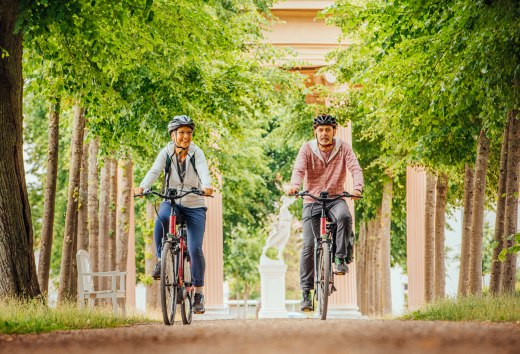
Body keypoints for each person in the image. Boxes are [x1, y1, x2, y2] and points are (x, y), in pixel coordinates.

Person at [134, 115, 213, 314]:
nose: (186, 136)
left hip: (195, 204)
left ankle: (198, 294)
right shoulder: (167, 152)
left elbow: (204, 171)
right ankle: (162, 259)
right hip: (173, 202)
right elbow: (154, 171)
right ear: (173, 135)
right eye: (182, 133)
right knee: (161, 219)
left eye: (189, 133)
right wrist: (144, 186)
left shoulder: (197, 153)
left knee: (195, 248)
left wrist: (206, 186)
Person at [287, 114, 363, 312]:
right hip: (311, 200)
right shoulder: (307, 148)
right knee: (308, 245)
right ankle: (306, 293)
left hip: (336, 198)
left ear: (334, 131)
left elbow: (355, 168)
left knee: (345, 217)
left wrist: (357, 188)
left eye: (327, 129)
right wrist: (295, 186)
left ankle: (339, 259)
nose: (324, 133)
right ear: (315, 132)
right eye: (320, 130)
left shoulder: (343, 147)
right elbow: (299, 170)